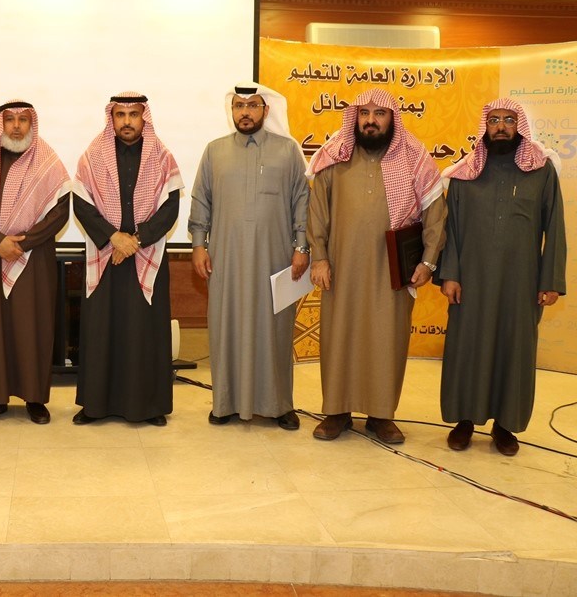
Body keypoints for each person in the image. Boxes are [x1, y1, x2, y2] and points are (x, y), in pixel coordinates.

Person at [306, 88, 445, 444]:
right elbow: (317, 211)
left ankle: (381, 415)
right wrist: (319, 256)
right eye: (364, 113)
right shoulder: (333, 156)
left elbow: (434, 213)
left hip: (392, 269)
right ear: (354, 117)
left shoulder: (414, 157)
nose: (371, 120)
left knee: (388, 338)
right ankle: (336, 412)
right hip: (342, 266)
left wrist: (428, 261)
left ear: (391, 118)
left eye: (379, 113)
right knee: (339, 335)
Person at [437, 98, 566, 456]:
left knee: (514, 348)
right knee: (467, 346)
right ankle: (465, 420)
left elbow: (554, 228)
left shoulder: (541, 171)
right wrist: (450, 275)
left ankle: (505, 425)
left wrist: (550, 280)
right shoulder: (466, 173)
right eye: (494, 120)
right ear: (485, 125)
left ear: (519, 125)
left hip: (520, 282)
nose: (501, 127)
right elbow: (452, 230)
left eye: (509, 120)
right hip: (471, 281)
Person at [189, 83, 310, 430]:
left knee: (275, 330)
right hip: (226, 259)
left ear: (265, 110)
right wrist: (198, 245)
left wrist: (302, 247)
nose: (245, 112)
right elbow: (201, 200)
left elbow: (302, 201)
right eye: (239, 106)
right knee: (226, 326)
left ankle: (279, 404)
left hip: (276, 258)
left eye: (252, 105)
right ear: (232, 110)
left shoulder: (288, 151)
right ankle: (225, 403)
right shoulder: (214, 151)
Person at [72, 92, 183, 426]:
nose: (127, 121)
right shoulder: (93, 156)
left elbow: (170, 207)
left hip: (145, 253)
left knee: (144, 332)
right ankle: (94, 406)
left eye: (133, 114)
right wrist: (113, 237)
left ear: (143, 117)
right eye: (120, 115)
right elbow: (81, 204)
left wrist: (135, 240)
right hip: (106, 255)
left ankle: (149, 406)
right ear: (112, 118)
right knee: (101, 331)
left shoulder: (162, 157)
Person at [0, 100, 71, 424]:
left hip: (34, 258)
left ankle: (35, 398)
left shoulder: (48, 162)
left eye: (22, 120)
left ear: (31, 124)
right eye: (9, 120)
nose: (15, 126)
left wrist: (22, 243)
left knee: (33, 328)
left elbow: (59, 211)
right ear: (1, 124)